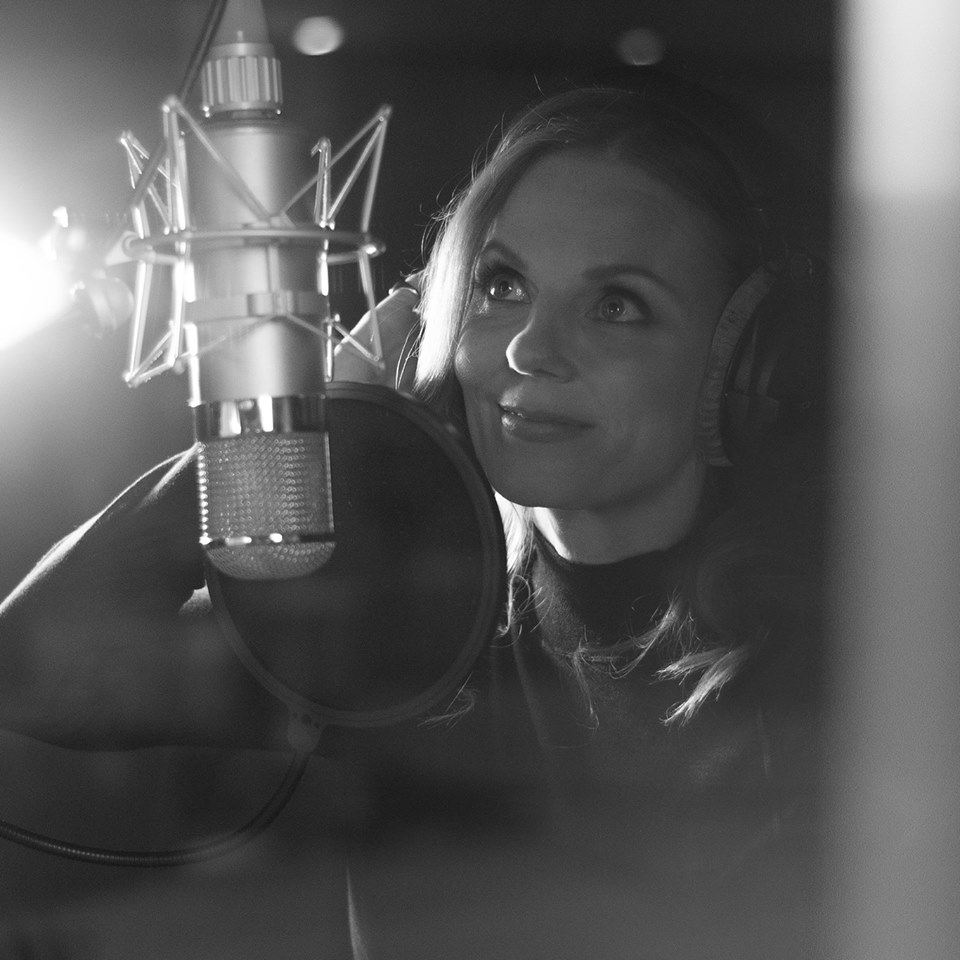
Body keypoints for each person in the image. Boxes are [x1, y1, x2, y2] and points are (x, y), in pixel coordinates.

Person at [0, 80, 829, 958]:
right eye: (502, 285)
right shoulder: (403, 626)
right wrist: (278, 442)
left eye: (616, 304)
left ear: (744, 362)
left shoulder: (837, 668)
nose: (528, 348)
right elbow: (30, 679)